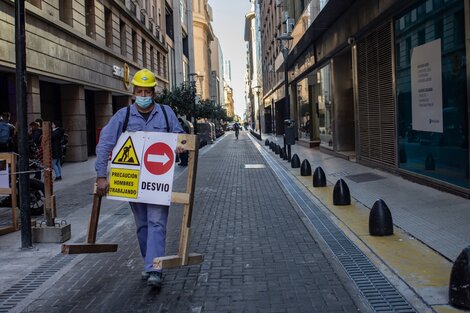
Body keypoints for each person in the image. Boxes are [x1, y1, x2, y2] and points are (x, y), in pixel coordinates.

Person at [95, 69, 184, 288]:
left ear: (154, 93)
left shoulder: (166, 113)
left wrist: (180, 145)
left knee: (156, 222)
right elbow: (105, 143)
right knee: (142, 224)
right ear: (134, 92)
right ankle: (149, 263)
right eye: (139, 91)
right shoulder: (122, 116)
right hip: (132, 181)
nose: (143, 95)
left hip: (157, 181)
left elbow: (180, 136)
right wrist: (100, 176)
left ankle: (155, 268)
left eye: (147, 91)